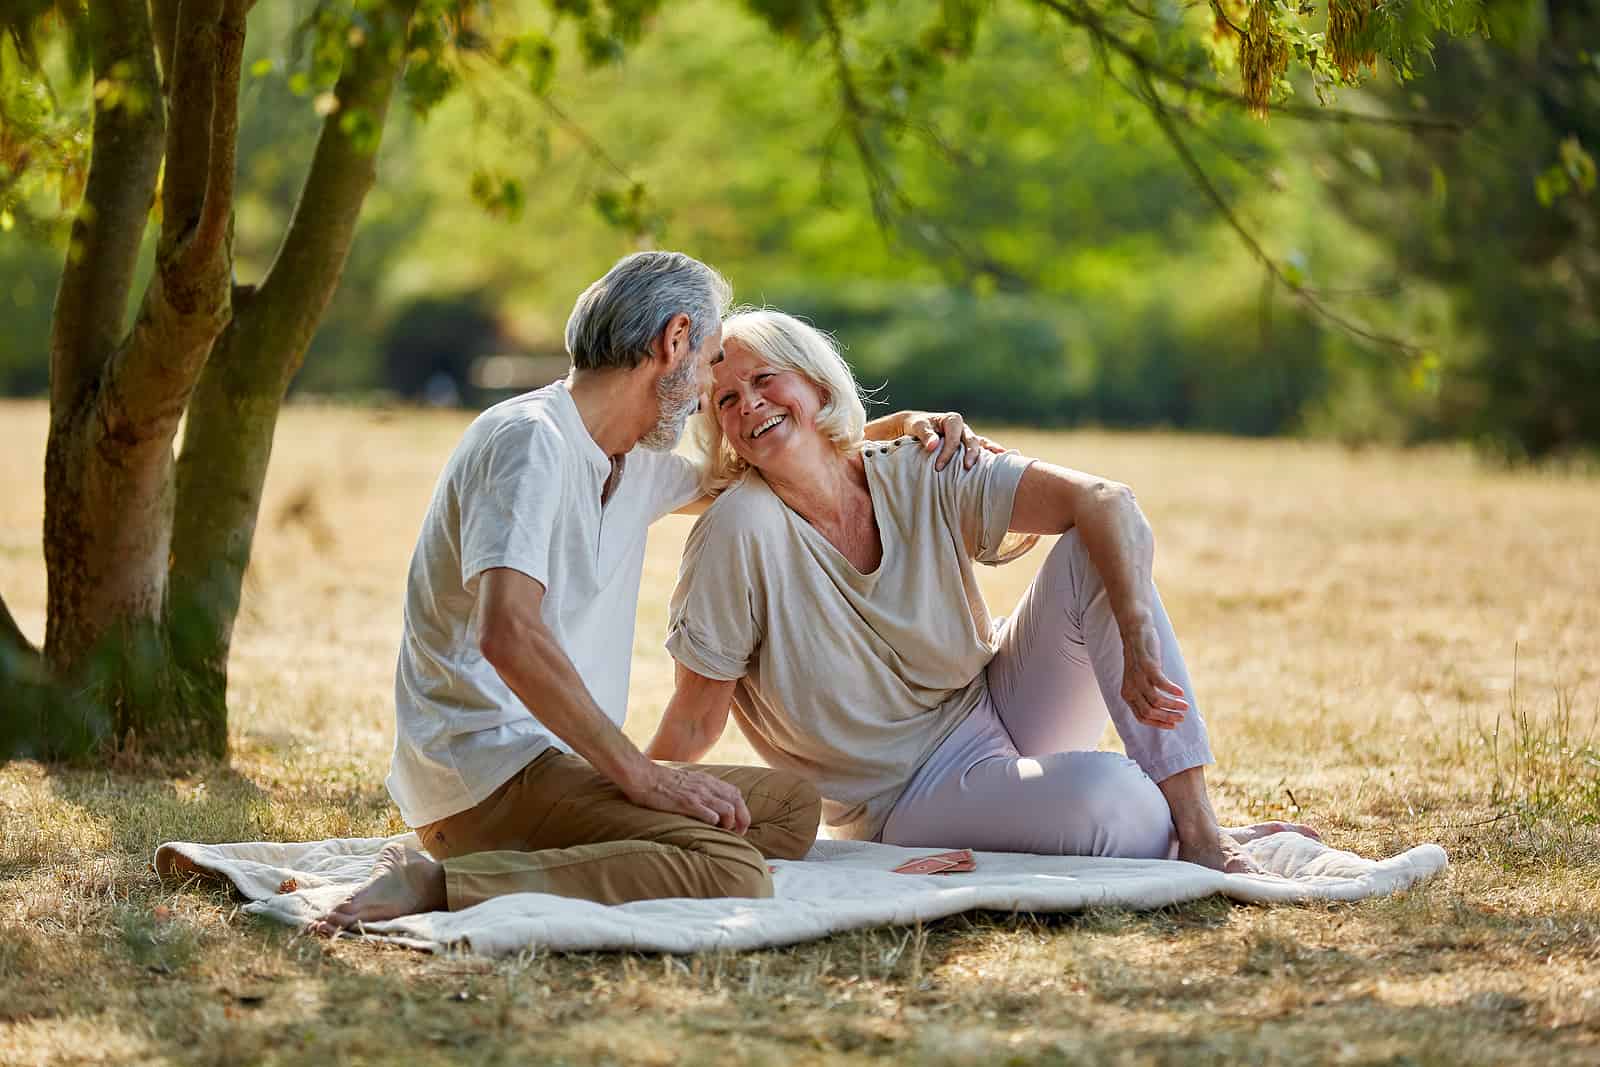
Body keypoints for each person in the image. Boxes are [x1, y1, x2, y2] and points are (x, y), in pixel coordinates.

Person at [317, 256, 984, 931]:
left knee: (787, 807)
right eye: (711, 363)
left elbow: (767, 454)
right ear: (674, 342)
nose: (707, 397)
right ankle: (444, 880)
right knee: (732, 869)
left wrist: (896, 428)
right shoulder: (528, 443)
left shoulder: (632, 463)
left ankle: (597, 850)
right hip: (488, 775)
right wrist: (642, 775)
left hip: (560, 769)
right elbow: (506, 632)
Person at [648, 309, 1317, 872]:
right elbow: (695, 717)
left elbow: (1107, 501)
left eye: (765, 379)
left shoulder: (920, 461)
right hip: (905, 796)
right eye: (726, 401)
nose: (750, 405)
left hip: (999, 702)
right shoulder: (736, 529)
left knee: (1095, 549)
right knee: (1119, 798)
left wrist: (1137, 629)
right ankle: (1170, 826)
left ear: (820, 387)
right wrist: (627, 792)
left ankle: (1200, 831)